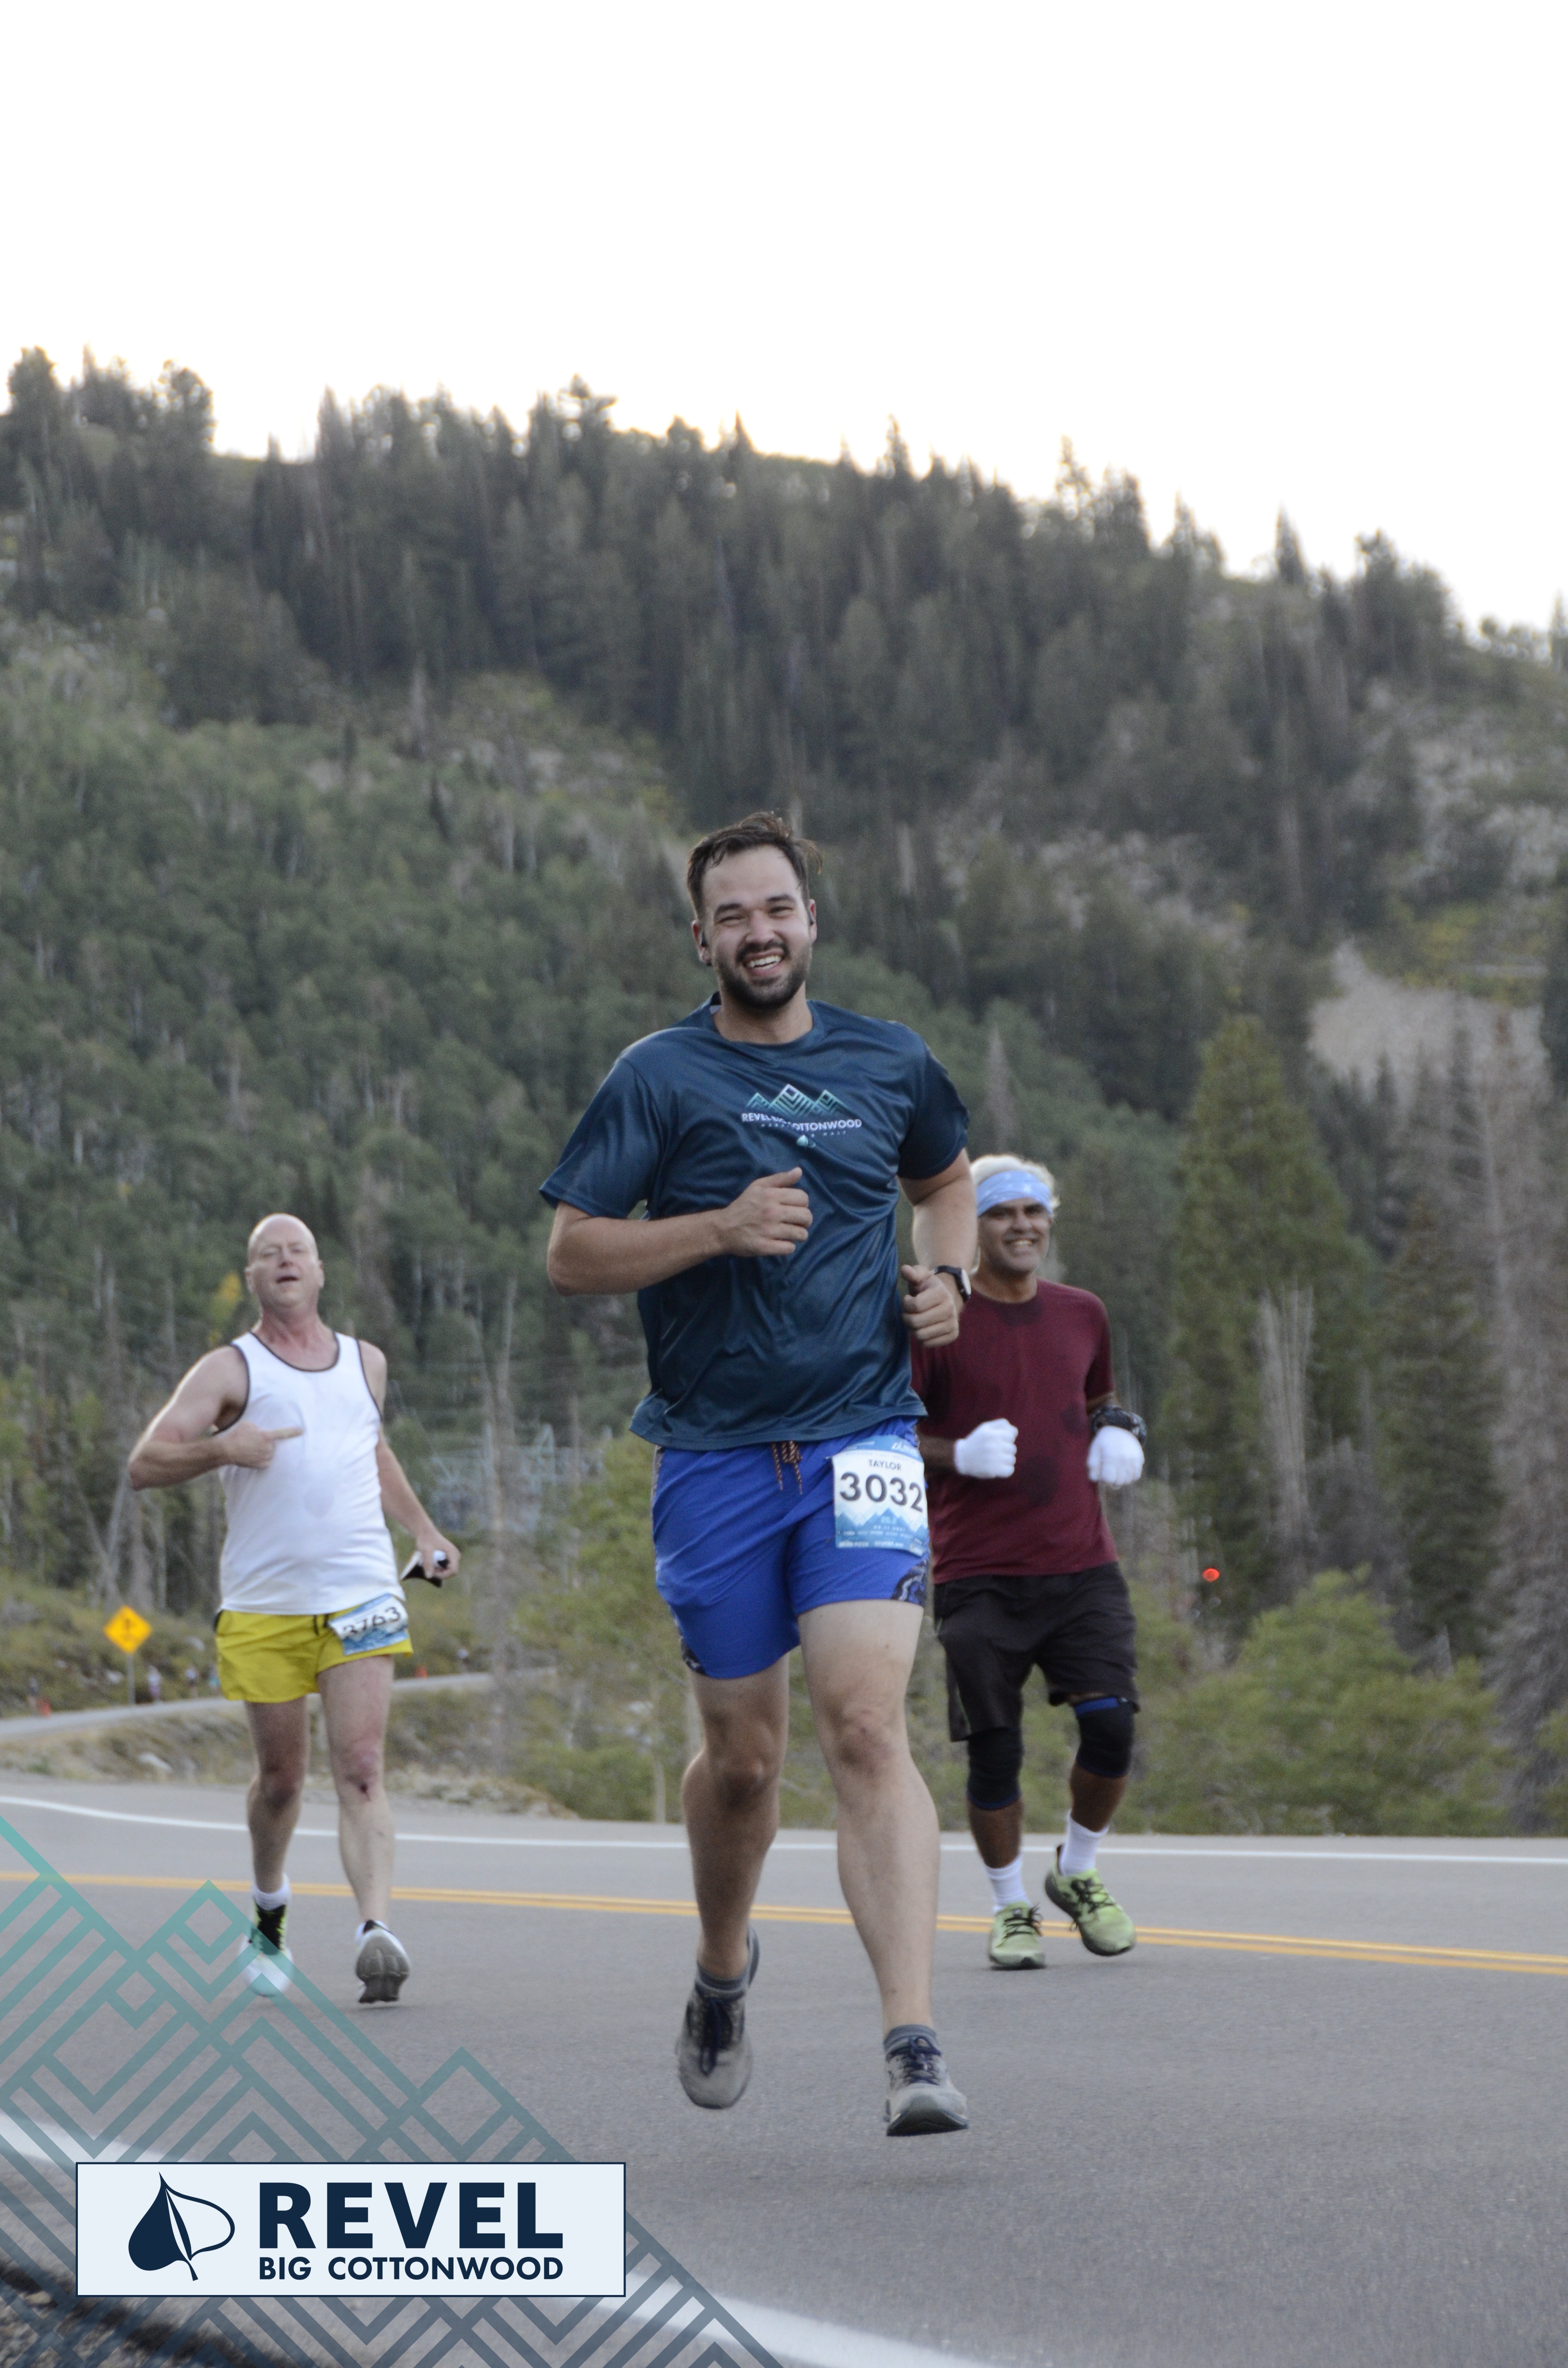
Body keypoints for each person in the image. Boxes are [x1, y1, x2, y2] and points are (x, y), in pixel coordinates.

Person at [543, 812, 977, 2136]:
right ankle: (723, 1965)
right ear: (702, 939)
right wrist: (717, 1229)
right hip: (716, 1457)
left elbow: (946, 1180)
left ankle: (913, 2043)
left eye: (777, 907)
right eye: (733, 915)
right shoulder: (659, 1076)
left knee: (866, 1726)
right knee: (744, 1761)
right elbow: (573, 1251)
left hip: (862, 1439)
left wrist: (949, 1280)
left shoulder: (889, 1059)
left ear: (811, 920)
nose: (760, 932)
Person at [128, 1214, 459, 2004]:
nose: (284, 1260)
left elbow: (370, 1448)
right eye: (268, 1254)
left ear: (319, 1271)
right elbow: (145, 1463)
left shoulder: (366, 1363)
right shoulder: (228, 1370)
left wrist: (423, 1529)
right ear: (252, 1278)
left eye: (298, 1250)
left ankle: (376, 1930)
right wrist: (223, 1447)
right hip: (266, 1605)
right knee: (281, 1782)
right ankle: (269, 1913)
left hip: (361, 1593)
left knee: (363, 1768)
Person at [910, 1156, 1145, 1971]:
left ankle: (1076, 1872)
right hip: (977, 1573)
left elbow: (1098, 1398)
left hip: (1082, 1566)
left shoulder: (1083, 1313)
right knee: (996, 1750)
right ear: (970, 1227)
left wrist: (1121, 1429)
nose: (1022, 1226)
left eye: (1034, 1211)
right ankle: (1009, 1906)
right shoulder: (939, 1319)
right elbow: (888, 1429)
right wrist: (957, 1454)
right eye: (1002, 1212)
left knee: (1112, 1725)